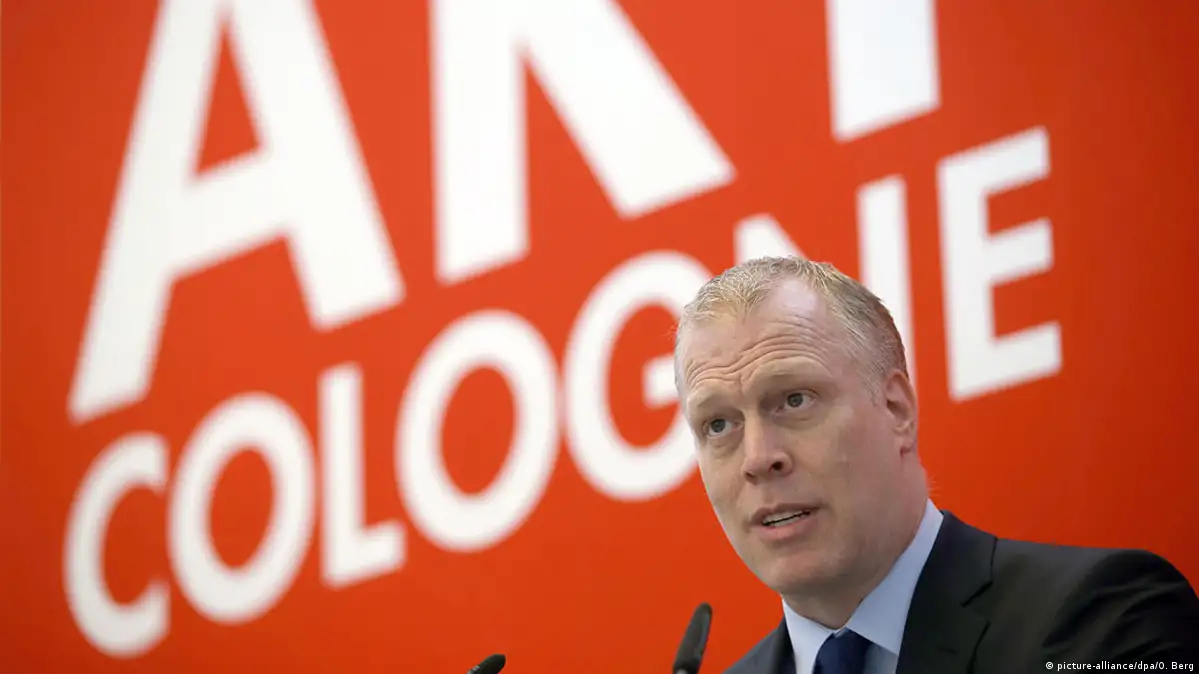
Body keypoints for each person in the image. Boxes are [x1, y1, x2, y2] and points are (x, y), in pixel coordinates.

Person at [673, 256, 1199, 674]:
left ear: (897, 410)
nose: (758, 458)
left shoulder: (1101, 620)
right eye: (718, 425)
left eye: (794, 400)